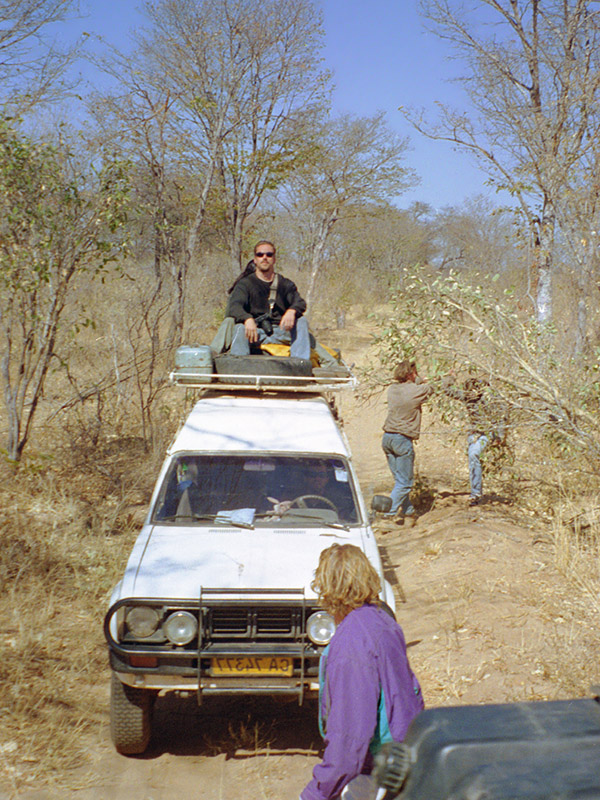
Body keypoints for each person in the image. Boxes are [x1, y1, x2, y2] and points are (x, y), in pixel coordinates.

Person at [300, 544, 424, 800]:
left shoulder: (352, 643)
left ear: (326, 588)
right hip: (404, 760)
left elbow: (350, 738)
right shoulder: (383, 621)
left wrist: (316, 794)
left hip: (378, 772)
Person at [228, 240, 311, 360]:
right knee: (239, 328)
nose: (264, 257)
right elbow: (235, 306)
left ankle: (299, 365)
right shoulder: (245, 284)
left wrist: (292, 311)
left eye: (269, 254)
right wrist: (247, 319)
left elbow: (300, 302)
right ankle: (239, 369)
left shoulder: (285, 284)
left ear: (274, 259)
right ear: (255, 259)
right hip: (254, 333)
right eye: (260, 254)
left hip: (281, 332)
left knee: (302, 321)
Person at [442, 374, 507, 506]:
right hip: (475, 433)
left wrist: (499, 436)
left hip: (488, 433)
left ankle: (476, 493)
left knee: (474, 454)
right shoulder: (467, 396)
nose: (470, 393)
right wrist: (449, 377)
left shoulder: (491, 398)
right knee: (473, 458)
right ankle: (476, 493)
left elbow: (502, 415)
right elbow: (448, 390)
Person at [381, 359, 432, 526]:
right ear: (411, 374)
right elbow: (432, 388)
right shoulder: (415, 391)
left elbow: (413, 387)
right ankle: (387, 515)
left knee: (400, 481)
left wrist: (418, 380)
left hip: (387, 438)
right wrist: (450, 378)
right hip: (402, 440)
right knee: (405, 483)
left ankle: (409, 513)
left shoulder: (393, 389)